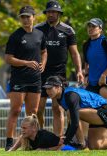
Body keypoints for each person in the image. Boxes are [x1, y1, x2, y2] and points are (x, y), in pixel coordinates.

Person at [35, 0, 83, 136]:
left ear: (59, 14)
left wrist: (79, 71)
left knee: (57, 108)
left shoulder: (68, 30)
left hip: (59, 74)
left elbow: (74, 53)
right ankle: (41, 134)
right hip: (41, 72)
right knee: (39, 109)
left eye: (54, 12)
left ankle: (58, 140)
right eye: (49, 12)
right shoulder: (38, 29)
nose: (51, 14)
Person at [4, 5, 47, 151]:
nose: (25, 19)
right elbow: (8, 58)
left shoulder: (40, 34)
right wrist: (26, 63)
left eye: (28, 16)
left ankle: (33, 143)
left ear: (34, 17)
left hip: (35, 79)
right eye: (23, 17)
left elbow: (44, 51)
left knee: (33, 113)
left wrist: (43, 64)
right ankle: (9, 142)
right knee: (15, 110)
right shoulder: (15, 36)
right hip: (19, 79)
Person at [83, 18, 107, 138]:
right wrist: (86, 75)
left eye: (93, 26)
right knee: (87, 112)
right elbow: (87, 63)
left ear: (100, 28)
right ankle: (85, 143)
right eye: (89, 26)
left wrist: (104, 75)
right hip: (92, 84)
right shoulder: (86, 44)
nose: (90, 29)